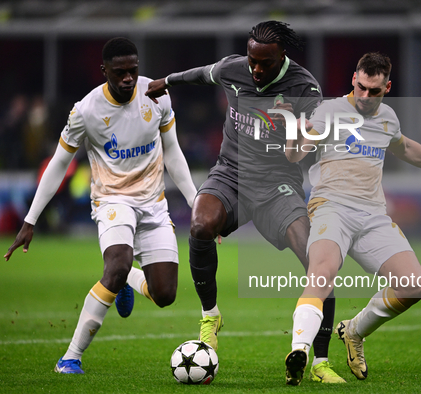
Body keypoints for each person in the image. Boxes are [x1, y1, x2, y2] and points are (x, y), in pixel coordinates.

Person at [145, 21, 344, 384]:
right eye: (252, 60)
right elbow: (201, 74)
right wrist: (167, 81)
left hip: (277, 184)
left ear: (281, 56)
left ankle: (320, 361)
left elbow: (317, 135)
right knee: (201, 224)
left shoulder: (304, 87)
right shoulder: (234, 68)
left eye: (264, 63)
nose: (255, 69)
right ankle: (210, 317)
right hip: (231, 174)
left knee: (320, 262)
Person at [3, 37, 197, 374]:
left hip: (153, 203)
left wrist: (197, 203)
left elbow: (174, 153)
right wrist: (30, 219)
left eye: (132, 71)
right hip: (111, 199)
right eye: (119, 72)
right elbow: (59, 164)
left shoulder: (156, 94)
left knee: (165, 294)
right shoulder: (86, 111)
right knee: (116, 264)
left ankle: (128, 281)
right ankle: (70, 358)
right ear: (103, 70)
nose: (127, 78)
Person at [283, 52, 421, 385]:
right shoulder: (330, 111)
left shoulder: (387, 117)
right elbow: (294, 154)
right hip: (331, 208)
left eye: (374, 91)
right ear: (354, 80)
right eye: (361, 88)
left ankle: (354, 331)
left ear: (387, 87)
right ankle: (299, 350)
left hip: (373, 215)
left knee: (414, 285)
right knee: (321, 274)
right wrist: (293, 132)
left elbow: (406, 148)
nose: (365, 97)